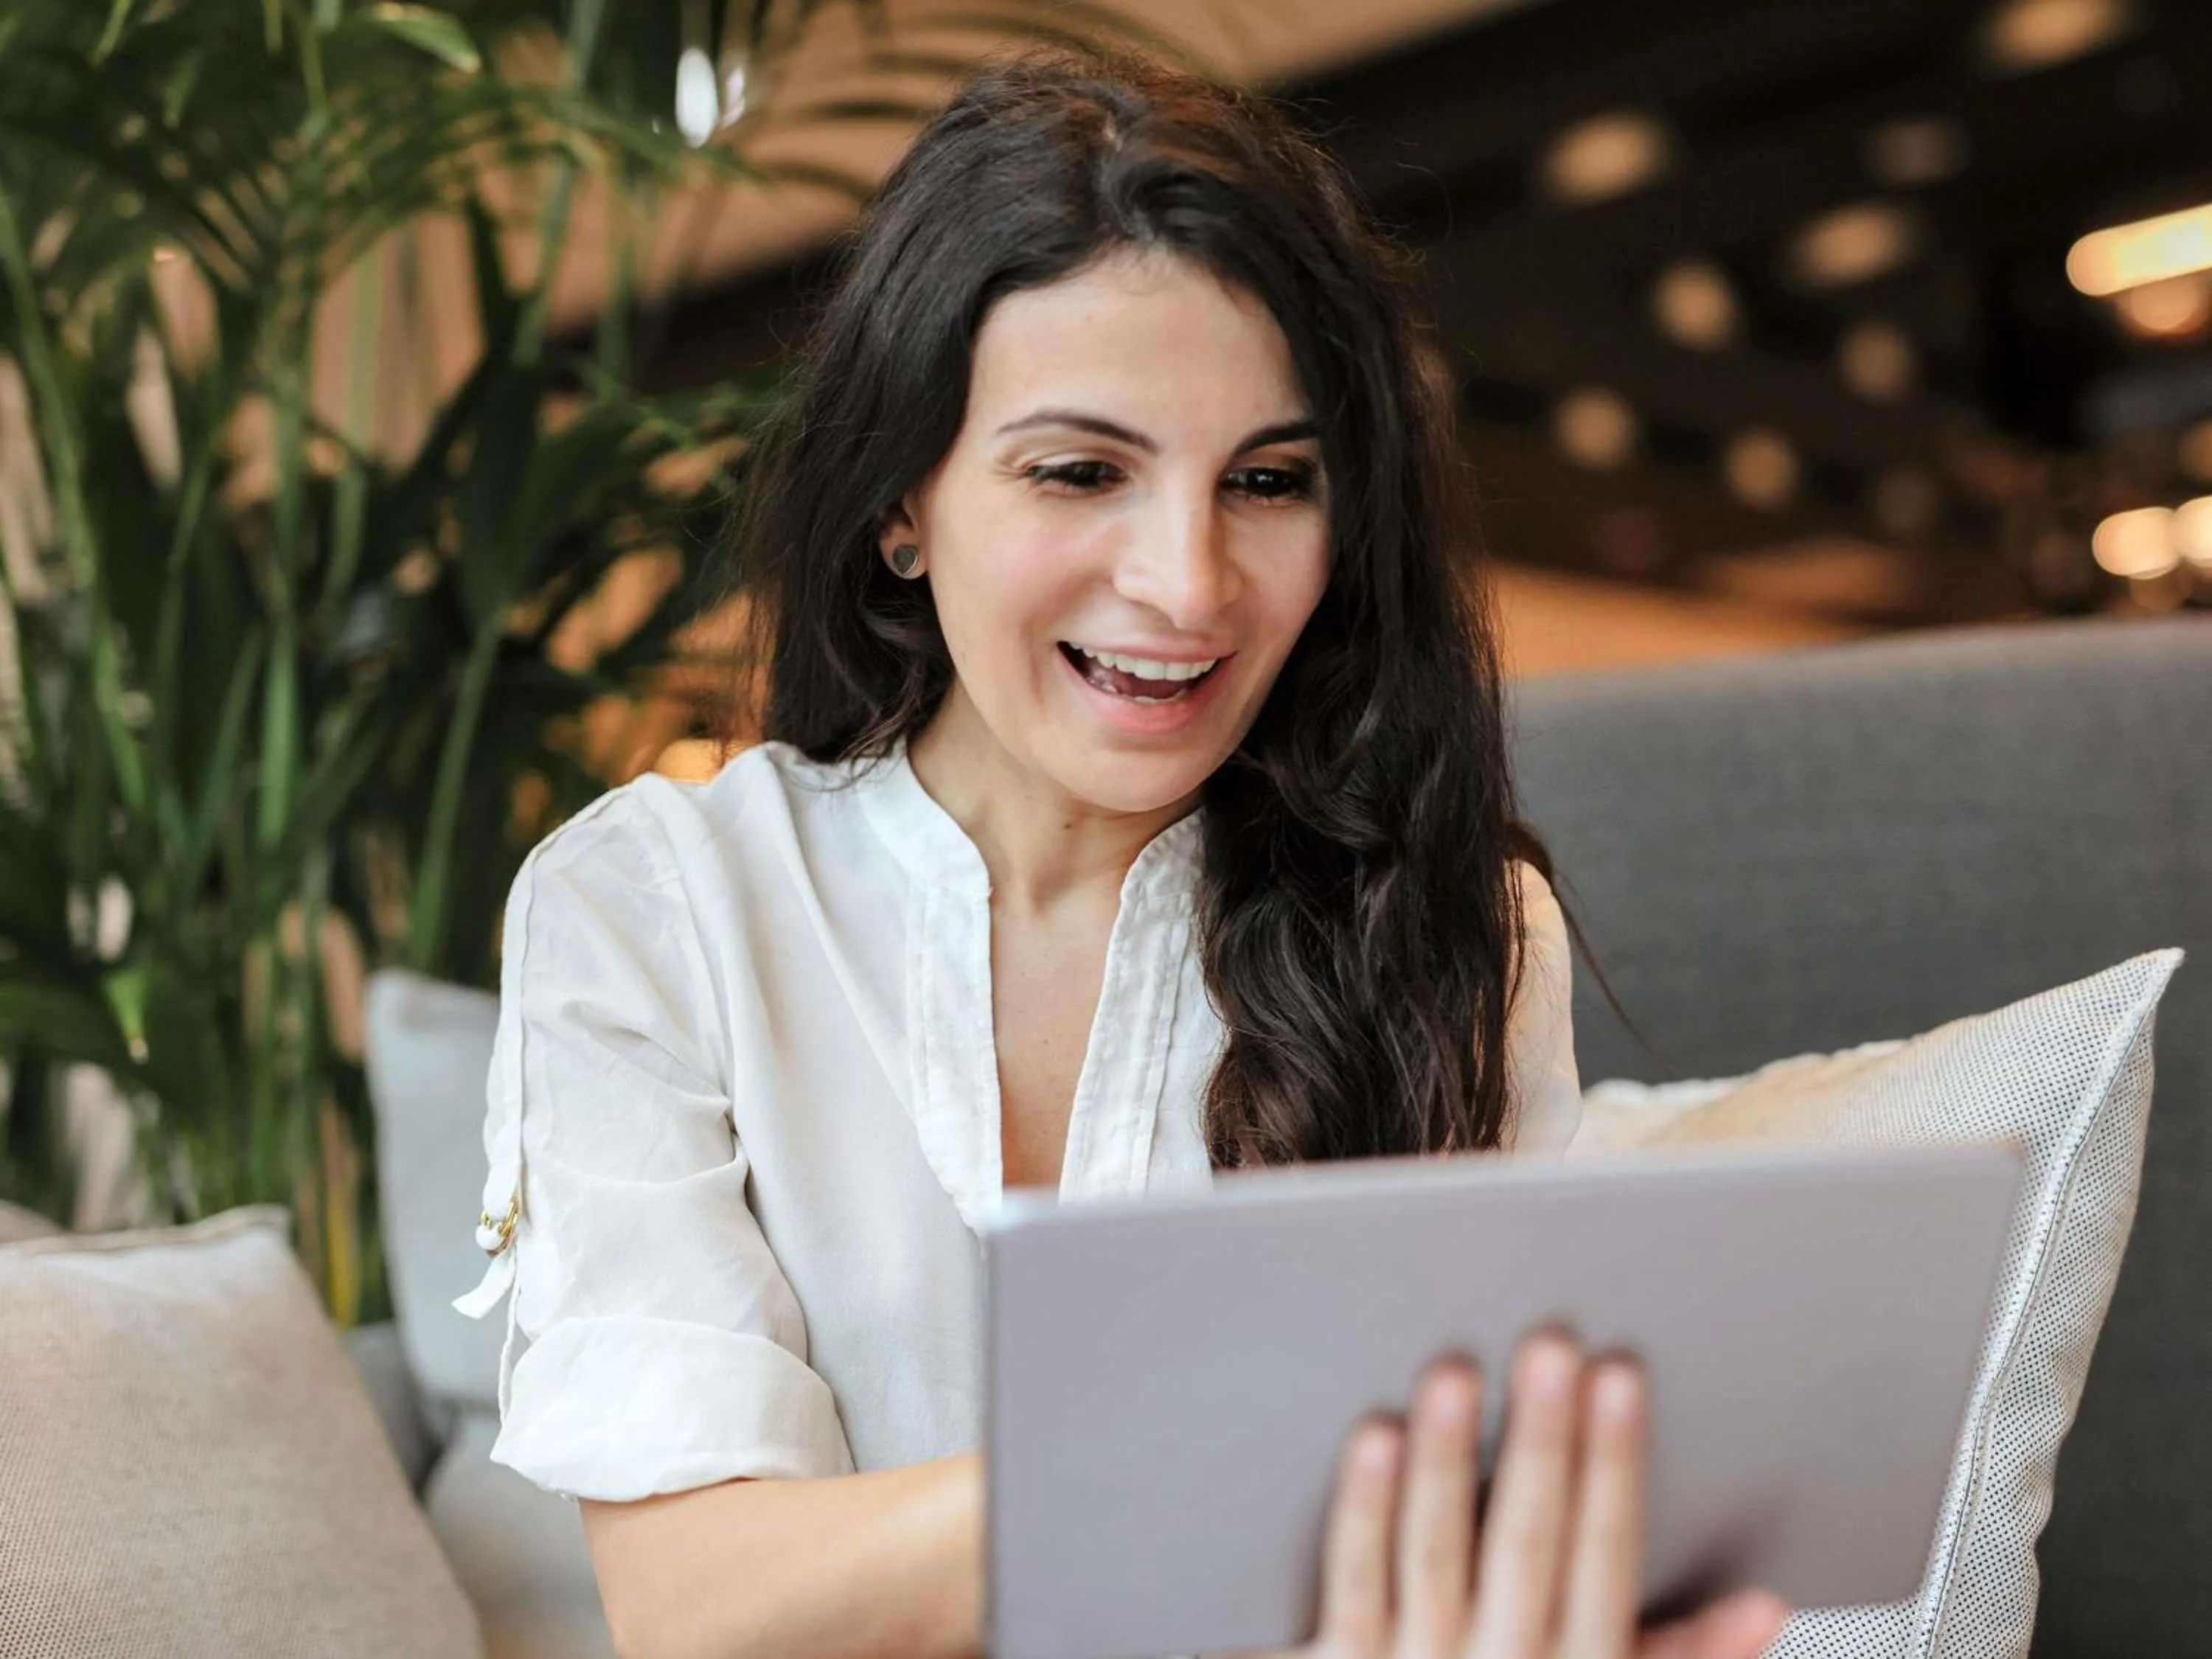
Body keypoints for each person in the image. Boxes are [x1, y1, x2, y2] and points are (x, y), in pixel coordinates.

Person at [452, 44, 1792, 1659]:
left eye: (1270, 482)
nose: (1189, 584)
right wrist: (1273, 1455)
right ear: (902, 503)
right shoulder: (654, 906)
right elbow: (706, 1607)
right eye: (1082, 471)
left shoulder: (1453, 927)